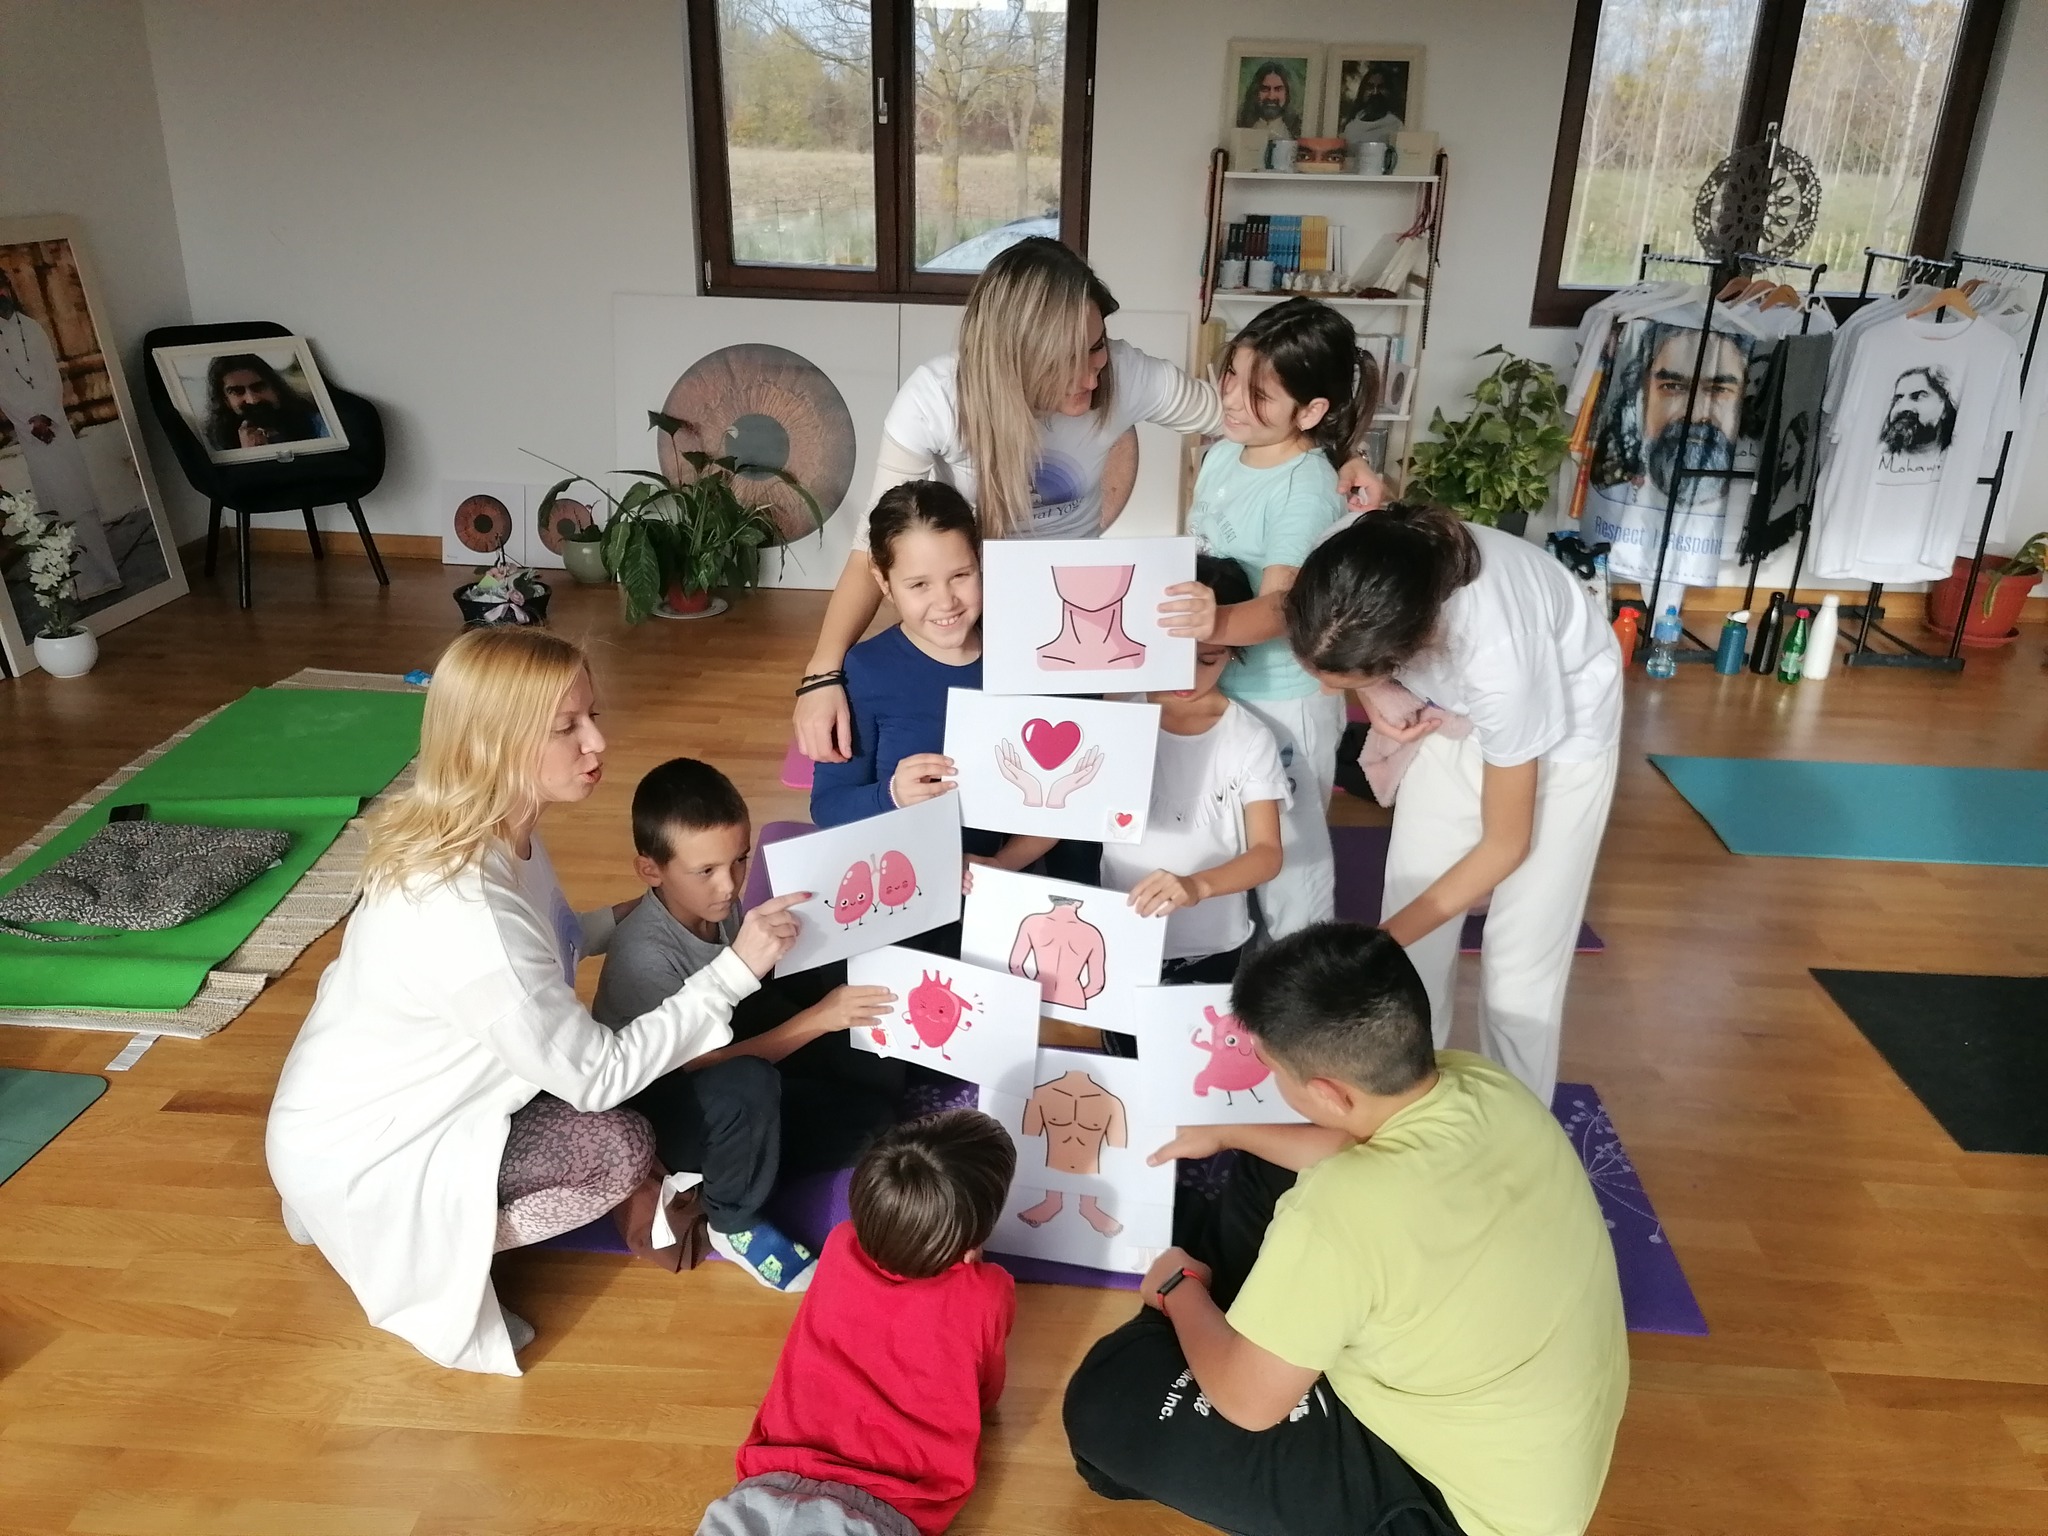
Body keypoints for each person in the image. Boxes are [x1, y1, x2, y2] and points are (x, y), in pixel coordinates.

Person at [265, 628, 814, 1374]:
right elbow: (598, 1077)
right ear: (495, 743)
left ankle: (330, 1208)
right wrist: (736, 970)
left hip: (339, 1110)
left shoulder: (497, 831)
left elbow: (549, 939)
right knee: (621, 1149)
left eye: (592, 716)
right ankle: (397, 1240)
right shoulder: (466, 913)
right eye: (566, 727)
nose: (597, 742)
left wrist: (642, 912)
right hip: (374, 1149)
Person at [1062, 923, 1628, 1536]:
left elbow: (1248, 1405)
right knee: (1271, 1163)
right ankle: (1259, 1324)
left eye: (1270, 1067)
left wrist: (1178, 1290)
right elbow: (1340, 1148)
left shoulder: (1340, 1213)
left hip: (1458, 1505)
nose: (1268, 1078)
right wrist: (1227, 1133)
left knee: (1106, 1399)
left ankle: (1227, 1322)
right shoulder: (1482, 1082)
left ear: (1329, 1091)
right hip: (1532, 1443)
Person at [793, 237, 1385, 766]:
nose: (1092, 373)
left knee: (1077, 775)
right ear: (1014, 359)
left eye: (1096, 345)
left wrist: (1341, 455)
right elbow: (871, 547)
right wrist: (820, 676)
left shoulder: (1126, 373)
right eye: (1065, 360)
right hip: (974, 607)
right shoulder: (937, 399)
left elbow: (1256, 422)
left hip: (1077, 610)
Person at [1285, 504, 1622, 1105]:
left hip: (1566, 732)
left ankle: (1515, 1126)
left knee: (1519, 970)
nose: (1323, 686)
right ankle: (1411, 1110)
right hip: (1455, 711)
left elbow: (1505, 844)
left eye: (1340, 681)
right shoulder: (1343, 560)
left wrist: (1374, 945)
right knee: (1413, 944)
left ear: (1409, 646)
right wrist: (1375, 691)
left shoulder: (1499, 657)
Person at [591, 756, 898, 1291]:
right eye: (706, 871)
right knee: (754, 1079)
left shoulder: (718, 908)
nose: (730, 885)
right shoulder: (644, 956)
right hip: (665, 1104)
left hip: (727, 1054)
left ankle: (756, 1155)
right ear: (651, 870)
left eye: (739, 860)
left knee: (875, 1109)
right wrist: (819, 1019)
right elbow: (698, 1064)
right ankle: (734, 1221)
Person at [1162, 297, 1376, 937]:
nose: (1230, 399)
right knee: (1228, 835)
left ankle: (1302, 971)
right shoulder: (1222, 454)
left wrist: (1213, 624)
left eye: (1258, 395)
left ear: (1309, 412)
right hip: (1222, 683)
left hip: (1283, 700)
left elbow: (1285, 607)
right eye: (1231, 376)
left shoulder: (1305, 486)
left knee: (1291, 859)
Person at [699, 1109, 1018, 1536]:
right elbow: (986, 1391)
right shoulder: (987, 1291)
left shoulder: (840, 1242)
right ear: (969, 1247)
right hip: (890, 1501)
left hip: (771, 1477)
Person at [811, 480, 1058, 897]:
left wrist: (1003, 864)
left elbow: (1062, 803)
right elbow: (827, 806)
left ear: (980, 561)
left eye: (960, 575)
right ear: (884, 582)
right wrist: (892, 794)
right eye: (919, 585)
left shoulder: (1024, 659)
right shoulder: (866, 672)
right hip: (899, 892)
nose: (946, 602)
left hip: (994, 886)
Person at [1096, 555, 1286, 1055]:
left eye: (1208, 659)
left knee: (1197, 1068)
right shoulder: (1117, 717)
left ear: (1234, 652)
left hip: (1213, 945)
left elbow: (1268, 853)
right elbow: (1061, 815)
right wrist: (1002, 864)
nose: (1188, 674)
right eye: (1175, 654)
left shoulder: (1247, 737)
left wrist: (1196, 886)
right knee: (1126, 1060)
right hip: (1124, 934)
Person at [0, 264, 120, 598]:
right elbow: (2, 391)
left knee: (80, 499)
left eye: (2, 286)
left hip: (56, 425)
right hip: (31, 433)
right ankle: (77, 583)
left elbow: (52, 376)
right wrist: (31, 421)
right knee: (57, 503)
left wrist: (48, 415)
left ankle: (106, 576)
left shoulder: (33, 327)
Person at [203, 351, 332, 451]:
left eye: (259, 387)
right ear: (225, 400)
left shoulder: (317, 424)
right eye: (237, 391)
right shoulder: (214, 443)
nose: (252, 400)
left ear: (275, 388)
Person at [1236, 61, 1303, 138]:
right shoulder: (1241, 125)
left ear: (1287, 93)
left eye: (1278, 89)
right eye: (1265, 89)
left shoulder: (1297, 129)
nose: (1271, 96)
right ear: (1256, 92)